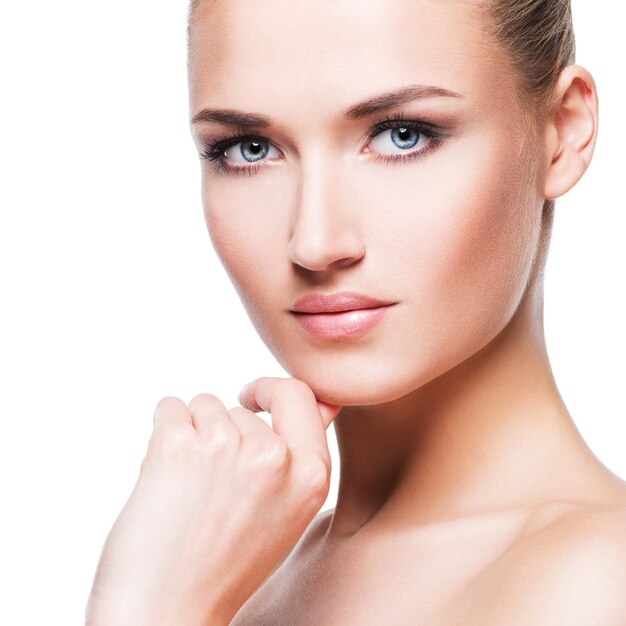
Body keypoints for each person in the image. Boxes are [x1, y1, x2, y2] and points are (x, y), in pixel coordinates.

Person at [86, 0, 626, 623]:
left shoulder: (598, 583)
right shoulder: (231, 580)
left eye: (404, 134)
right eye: (248, 148)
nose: (315, 242)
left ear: (563, 131)